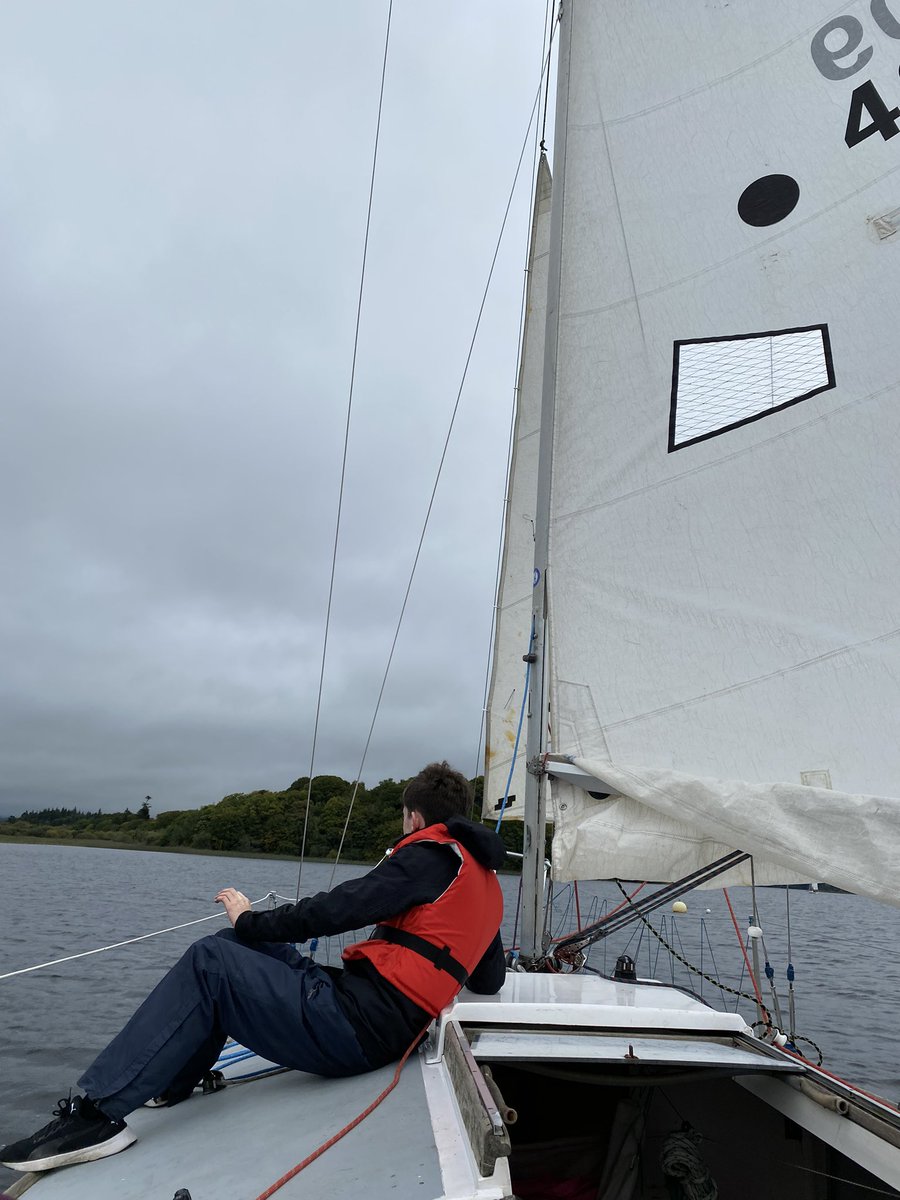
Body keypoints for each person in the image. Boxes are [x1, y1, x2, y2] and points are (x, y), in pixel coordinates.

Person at [0, 761, 506, 1174]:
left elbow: (335, 910)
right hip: (375, 1021)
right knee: (227, 950)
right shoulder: (483, 884)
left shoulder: (428, 859)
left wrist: (249, 921)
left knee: (213, 959)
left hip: (356, 1028)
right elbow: (490, 979)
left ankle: (97, 1115)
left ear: (414, 819)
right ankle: (174, 1081)